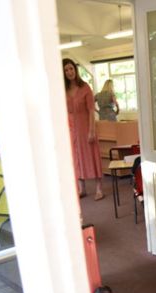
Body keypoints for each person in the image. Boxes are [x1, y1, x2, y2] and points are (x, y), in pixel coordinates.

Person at [63, 58, 104, 200]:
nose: (69, 72)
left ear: (75, 69)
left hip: (86, 126)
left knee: (92, 155)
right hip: (72, 129)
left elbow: (92, 111)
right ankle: (82, 188)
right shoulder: (64, 91)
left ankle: (99, 188)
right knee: (77, 158)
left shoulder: (85, 87)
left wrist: (92, 130)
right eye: (66, 70)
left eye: (71, 68)